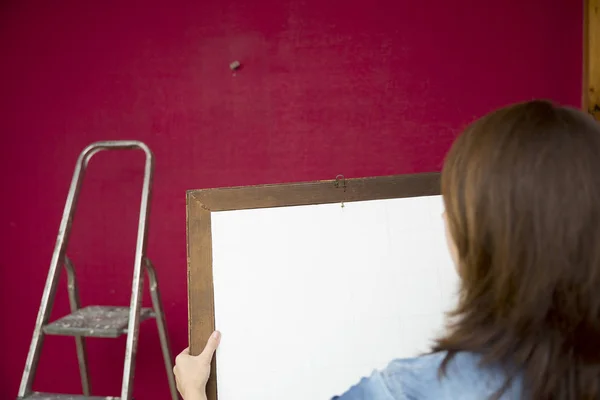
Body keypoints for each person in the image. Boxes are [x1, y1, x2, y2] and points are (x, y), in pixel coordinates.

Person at [174, 100, 600, 399]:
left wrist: (194, 391)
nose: (442, 221)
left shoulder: (414, 391)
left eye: (453, 207)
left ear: (484, 238)